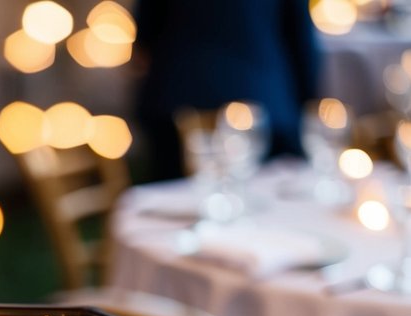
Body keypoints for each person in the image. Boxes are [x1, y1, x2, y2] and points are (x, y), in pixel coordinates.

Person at [132, 0, 321, 181]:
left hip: (177, 95)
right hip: (262, 99)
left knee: (169, 201)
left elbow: (146, 29)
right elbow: (300, 38)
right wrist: (307, 106)